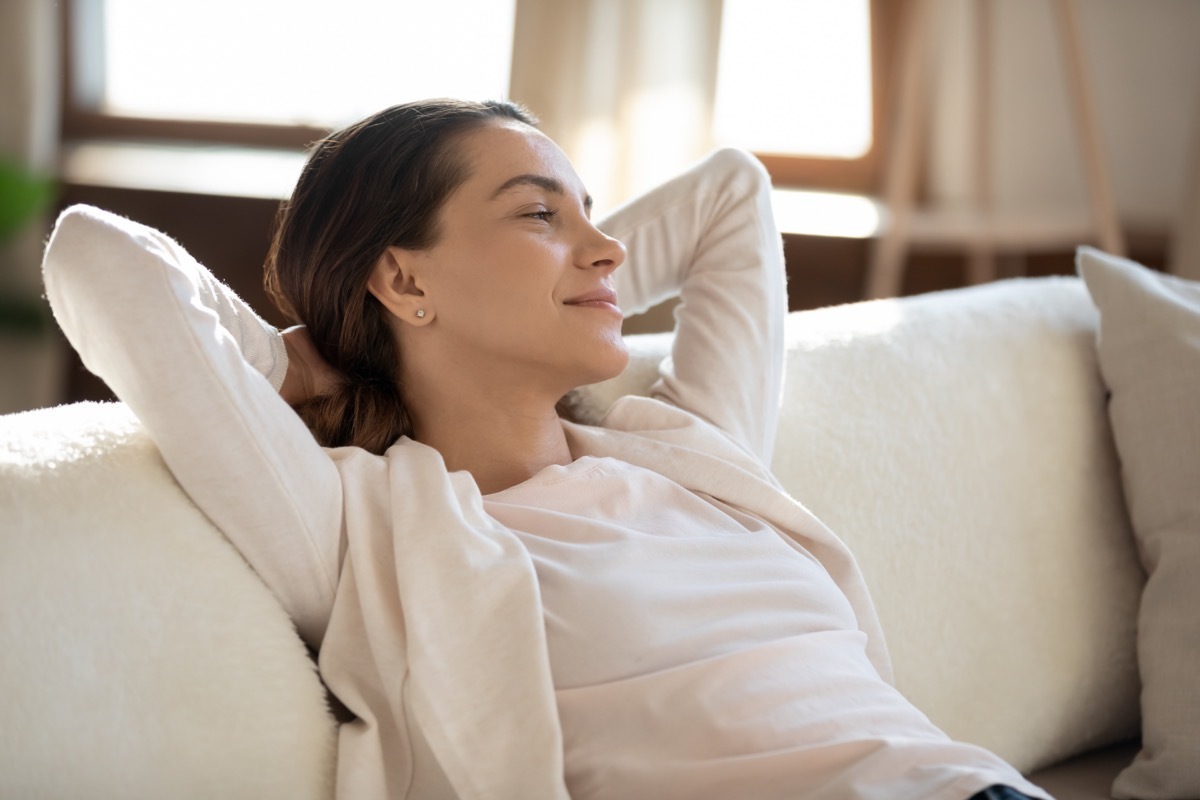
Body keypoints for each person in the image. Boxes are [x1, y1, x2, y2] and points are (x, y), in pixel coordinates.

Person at [42, 98, 1050, 800]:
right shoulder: (371, 529)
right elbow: (94, 254)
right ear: (401, 278)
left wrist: (552, 252)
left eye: (593, 217)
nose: (607, 250)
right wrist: (294, 364)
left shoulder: (688, 450)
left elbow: (731, 195)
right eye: (538, 212)